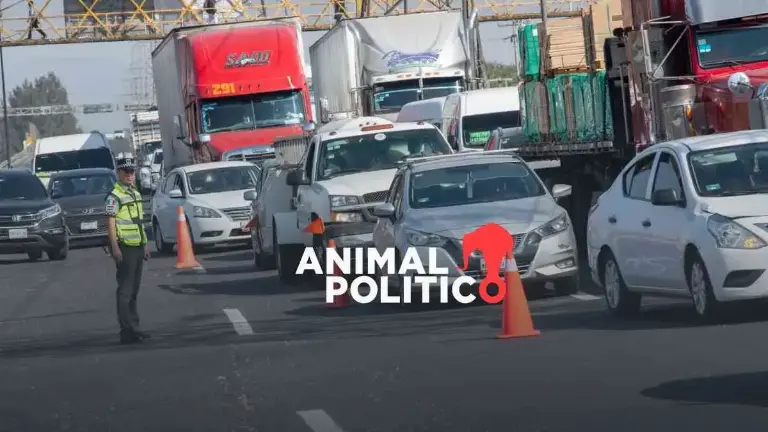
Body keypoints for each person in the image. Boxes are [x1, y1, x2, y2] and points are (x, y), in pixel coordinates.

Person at [105, 156, 151, 345]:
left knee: (134, 290)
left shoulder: (135, 193)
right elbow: (110, 222)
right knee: (125, 290)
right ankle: (127, 329)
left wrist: (145, 245)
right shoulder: (114, 196)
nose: (130, 175)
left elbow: (138, 222)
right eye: (126, 172)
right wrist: (115, 248)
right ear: (119, 173)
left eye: (132, 172)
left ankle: (134, 328)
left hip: (138, 246)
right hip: (125, 247)